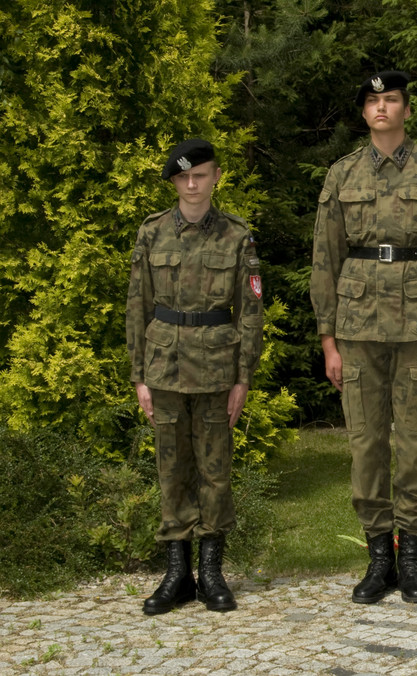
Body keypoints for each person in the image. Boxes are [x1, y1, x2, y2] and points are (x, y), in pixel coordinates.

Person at [310, 71, 417, 604]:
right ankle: (379, 558)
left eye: (391, 99)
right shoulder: (341, 174)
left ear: (406, 108)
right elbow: (325, 259)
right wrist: (328, 339)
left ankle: (414, 559)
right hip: (356, 327)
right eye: (373, 101)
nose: (382, 108)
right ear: (363, 112)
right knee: (366, 443)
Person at [127, 138, 264, 614]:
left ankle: (211, 572)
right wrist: (138, 376)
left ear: (216, 177)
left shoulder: (236, 236)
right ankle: (176, 574)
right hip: (163, 367)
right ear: (173, 182)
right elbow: (137, 305)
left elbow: (250, 310)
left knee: (214, 471)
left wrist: (243, 376)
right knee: (171, 470)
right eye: (183, 177)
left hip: (215, 370)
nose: (191, 184)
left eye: (200, 174)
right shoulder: (151, 233)